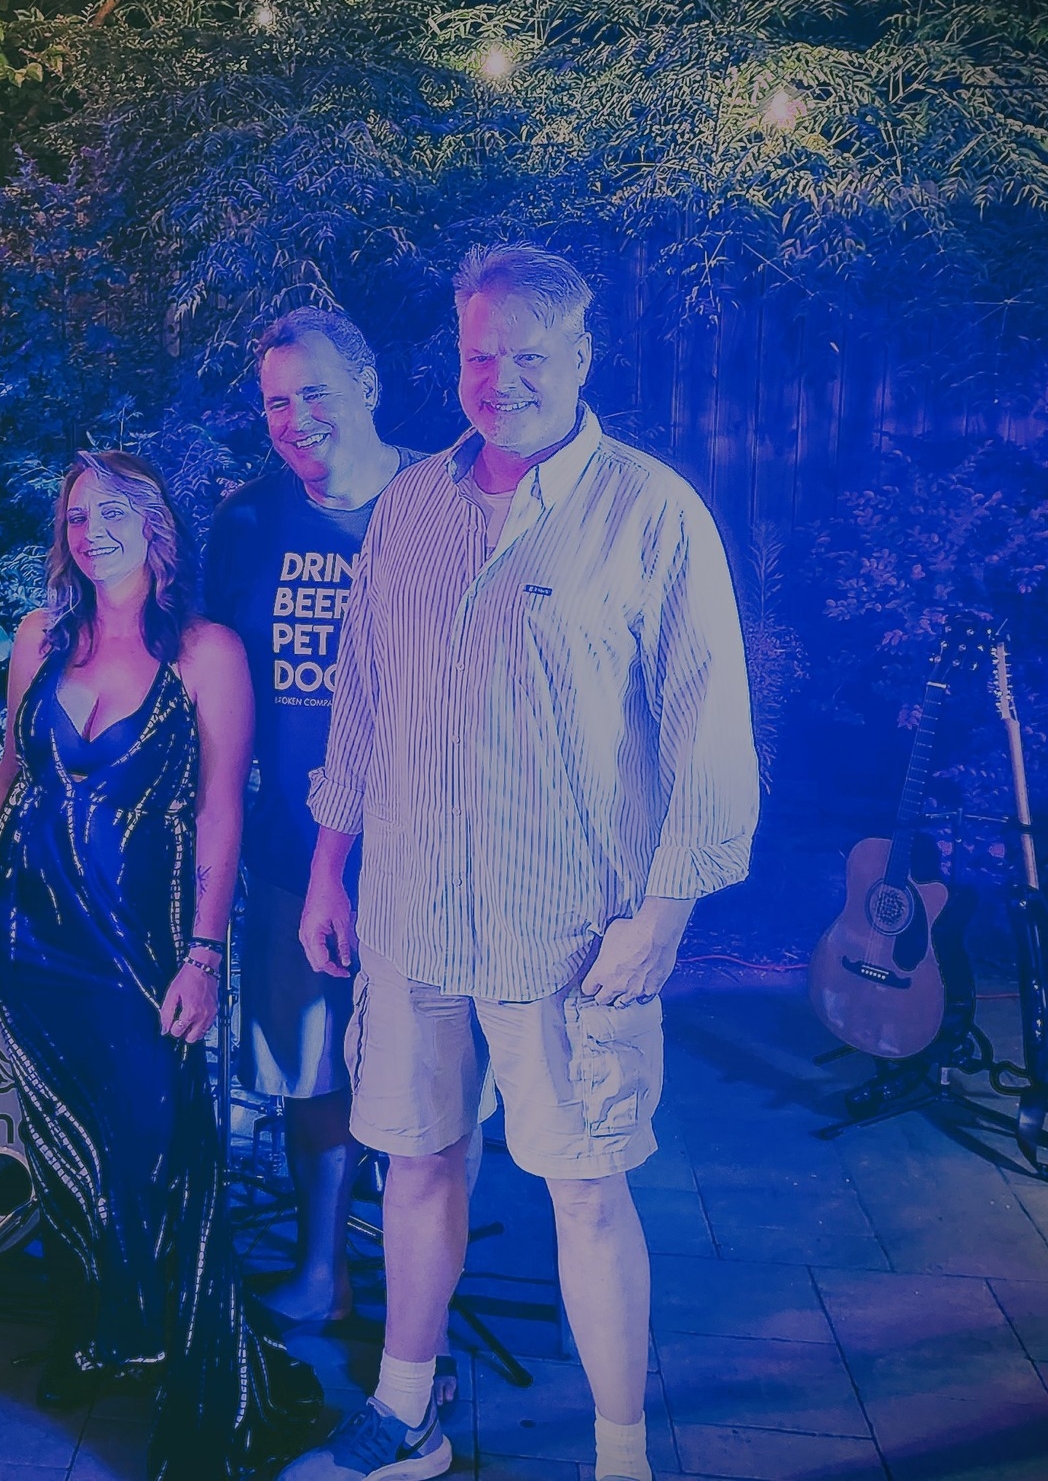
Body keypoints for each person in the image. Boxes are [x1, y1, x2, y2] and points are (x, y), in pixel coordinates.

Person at [285, 244, 759, 1481]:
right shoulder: (409, 507)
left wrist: (664, 913)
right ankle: (404, 1415)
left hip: (569, 923)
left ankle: (619, 1457)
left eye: (527, 354)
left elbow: (708, 731)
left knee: (586, 1187)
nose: (500, 378)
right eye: (478, 354)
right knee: (415, 1158)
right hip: (411, 907)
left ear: (580, 356)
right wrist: (329, 866)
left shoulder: (650, 512)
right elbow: (361, 698)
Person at [0, 450, 320, 1481]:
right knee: (61, 1154)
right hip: (31, 933)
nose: (94, 531)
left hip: (143, 943)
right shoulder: (39, 638)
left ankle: (177, 1348)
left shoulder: (206, 651)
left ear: (157, 525)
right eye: (78, 515)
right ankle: (95, 1333)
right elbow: (10, 773)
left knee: (154, 1152)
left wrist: (205, 953)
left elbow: (220, 808)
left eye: (116, 510)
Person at [205, 307, 421, 1327]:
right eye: (275, 402)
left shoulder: (441, 502)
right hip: (292, 854)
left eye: (315, 393)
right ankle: (321, 1273)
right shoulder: (247, 521)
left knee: (425, 1086)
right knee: (310, 1072)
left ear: (367, 387)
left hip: (423, 857)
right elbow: (216, 685)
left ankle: (419, 1313)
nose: (294, 419)